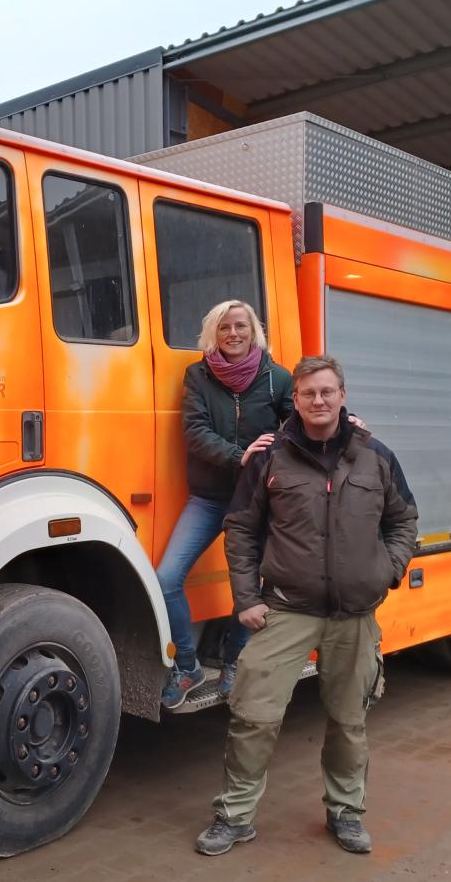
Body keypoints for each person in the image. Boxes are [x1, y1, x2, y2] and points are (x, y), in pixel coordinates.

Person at [194, 355, 418, 857]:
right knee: (253, 715)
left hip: (355, 616)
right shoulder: (270, 459)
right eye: (307, 393)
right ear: (293, 399)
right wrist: (246, 598)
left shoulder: (375, 457)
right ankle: (234, 816)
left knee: (348, 720)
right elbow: (242, 530)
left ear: (342, 395)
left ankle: (345, 814)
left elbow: (404, 521)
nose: (318, 401)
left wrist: (388, 569)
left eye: (327, 391)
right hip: (286, 611)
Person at [158, 300, 294, 709]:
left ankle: (233, 662)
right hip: (209, 497)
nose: (233, 333)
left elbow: (300, 425)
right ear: (213, 334)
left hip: (256, 501)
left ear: (253, 331)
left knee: (252, 588)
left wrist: (346, 423)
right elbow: (194, 430)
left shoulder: (277, 378)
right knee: (166, 579)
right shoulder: (197, 375)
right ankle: (187, 666)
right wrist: (240, 456)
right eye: (224, 327)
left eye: (241, 326)